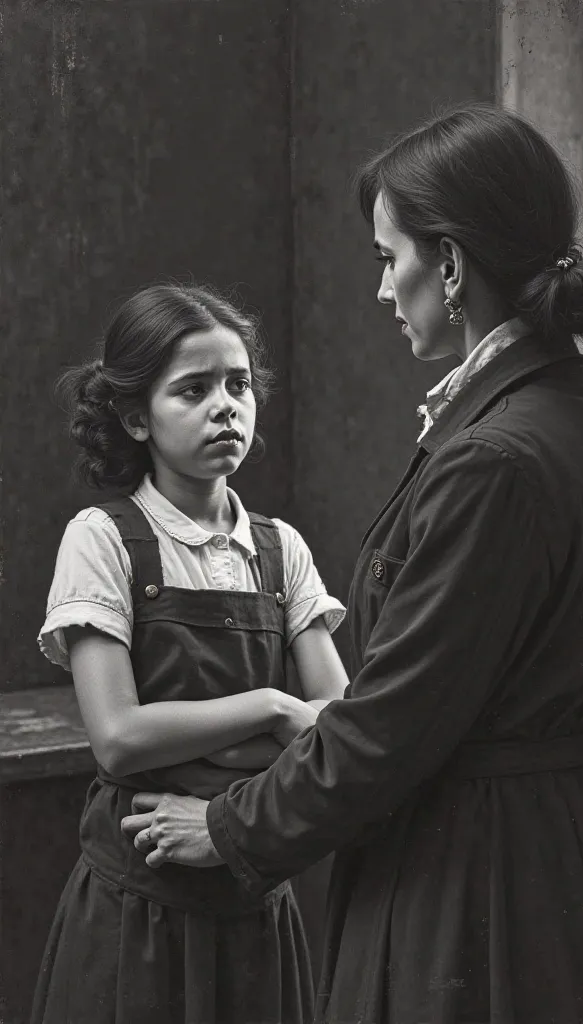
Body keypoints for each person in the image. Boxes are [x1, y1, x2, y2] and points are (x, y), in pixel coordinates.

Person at [122, 106, 583, 1023]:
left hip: (483, 881)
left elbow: (394, 725)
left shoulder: (494, 458)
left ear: (451, 266)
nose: (383, 289)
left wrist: (228, 825)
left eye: (390, 258)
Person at [32, 283, 349, 1024]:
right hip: (138, 911)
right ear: (138, 417)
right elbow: (119, 741)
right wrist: (273, 711)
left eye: (238, 384)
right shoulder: (102, 538)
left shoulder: (281, 549)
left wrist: (211, 752)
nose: (225, 406)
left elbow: (334, 728)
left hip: (251, 898)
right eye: (194, 390)